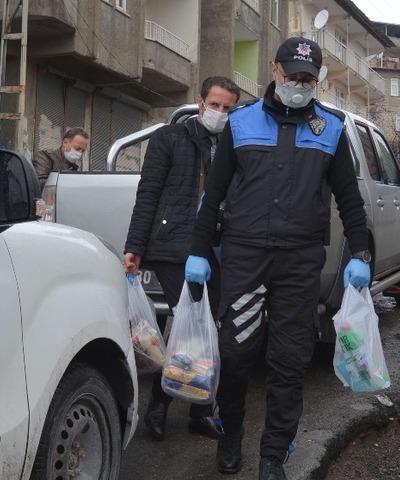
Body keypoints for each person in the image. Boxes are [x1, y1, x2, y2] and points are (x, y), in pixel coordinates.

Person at [184, 38, 372, 480]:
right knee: (235, 356)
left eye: (308, 78)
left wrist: (361, 252)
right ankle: (230, 439)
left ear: (317, 80)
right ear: (274, 71)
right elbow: (214, 195)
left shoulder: (330, 129)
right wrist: (197, 250)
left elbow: (349, 198)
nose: (299, 85)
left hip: (299, 261)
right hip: (246, 257)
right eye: (292, 76)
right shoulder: (240, 123)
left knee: (289, 361)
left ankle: (273, 455)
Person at [123, 76, 241, 441]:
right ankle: (164, 407)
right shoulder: (170, 138)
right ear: (200, 102)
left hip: (209, 249)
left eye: (227, 108)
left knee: (209, 328)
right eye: (215, 105)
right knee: (192, 328)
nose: (219, 113)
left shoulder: (231, 145)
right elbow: (148, 193)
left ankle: (196, 408)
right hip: (172, 247)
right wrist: (134, 247)